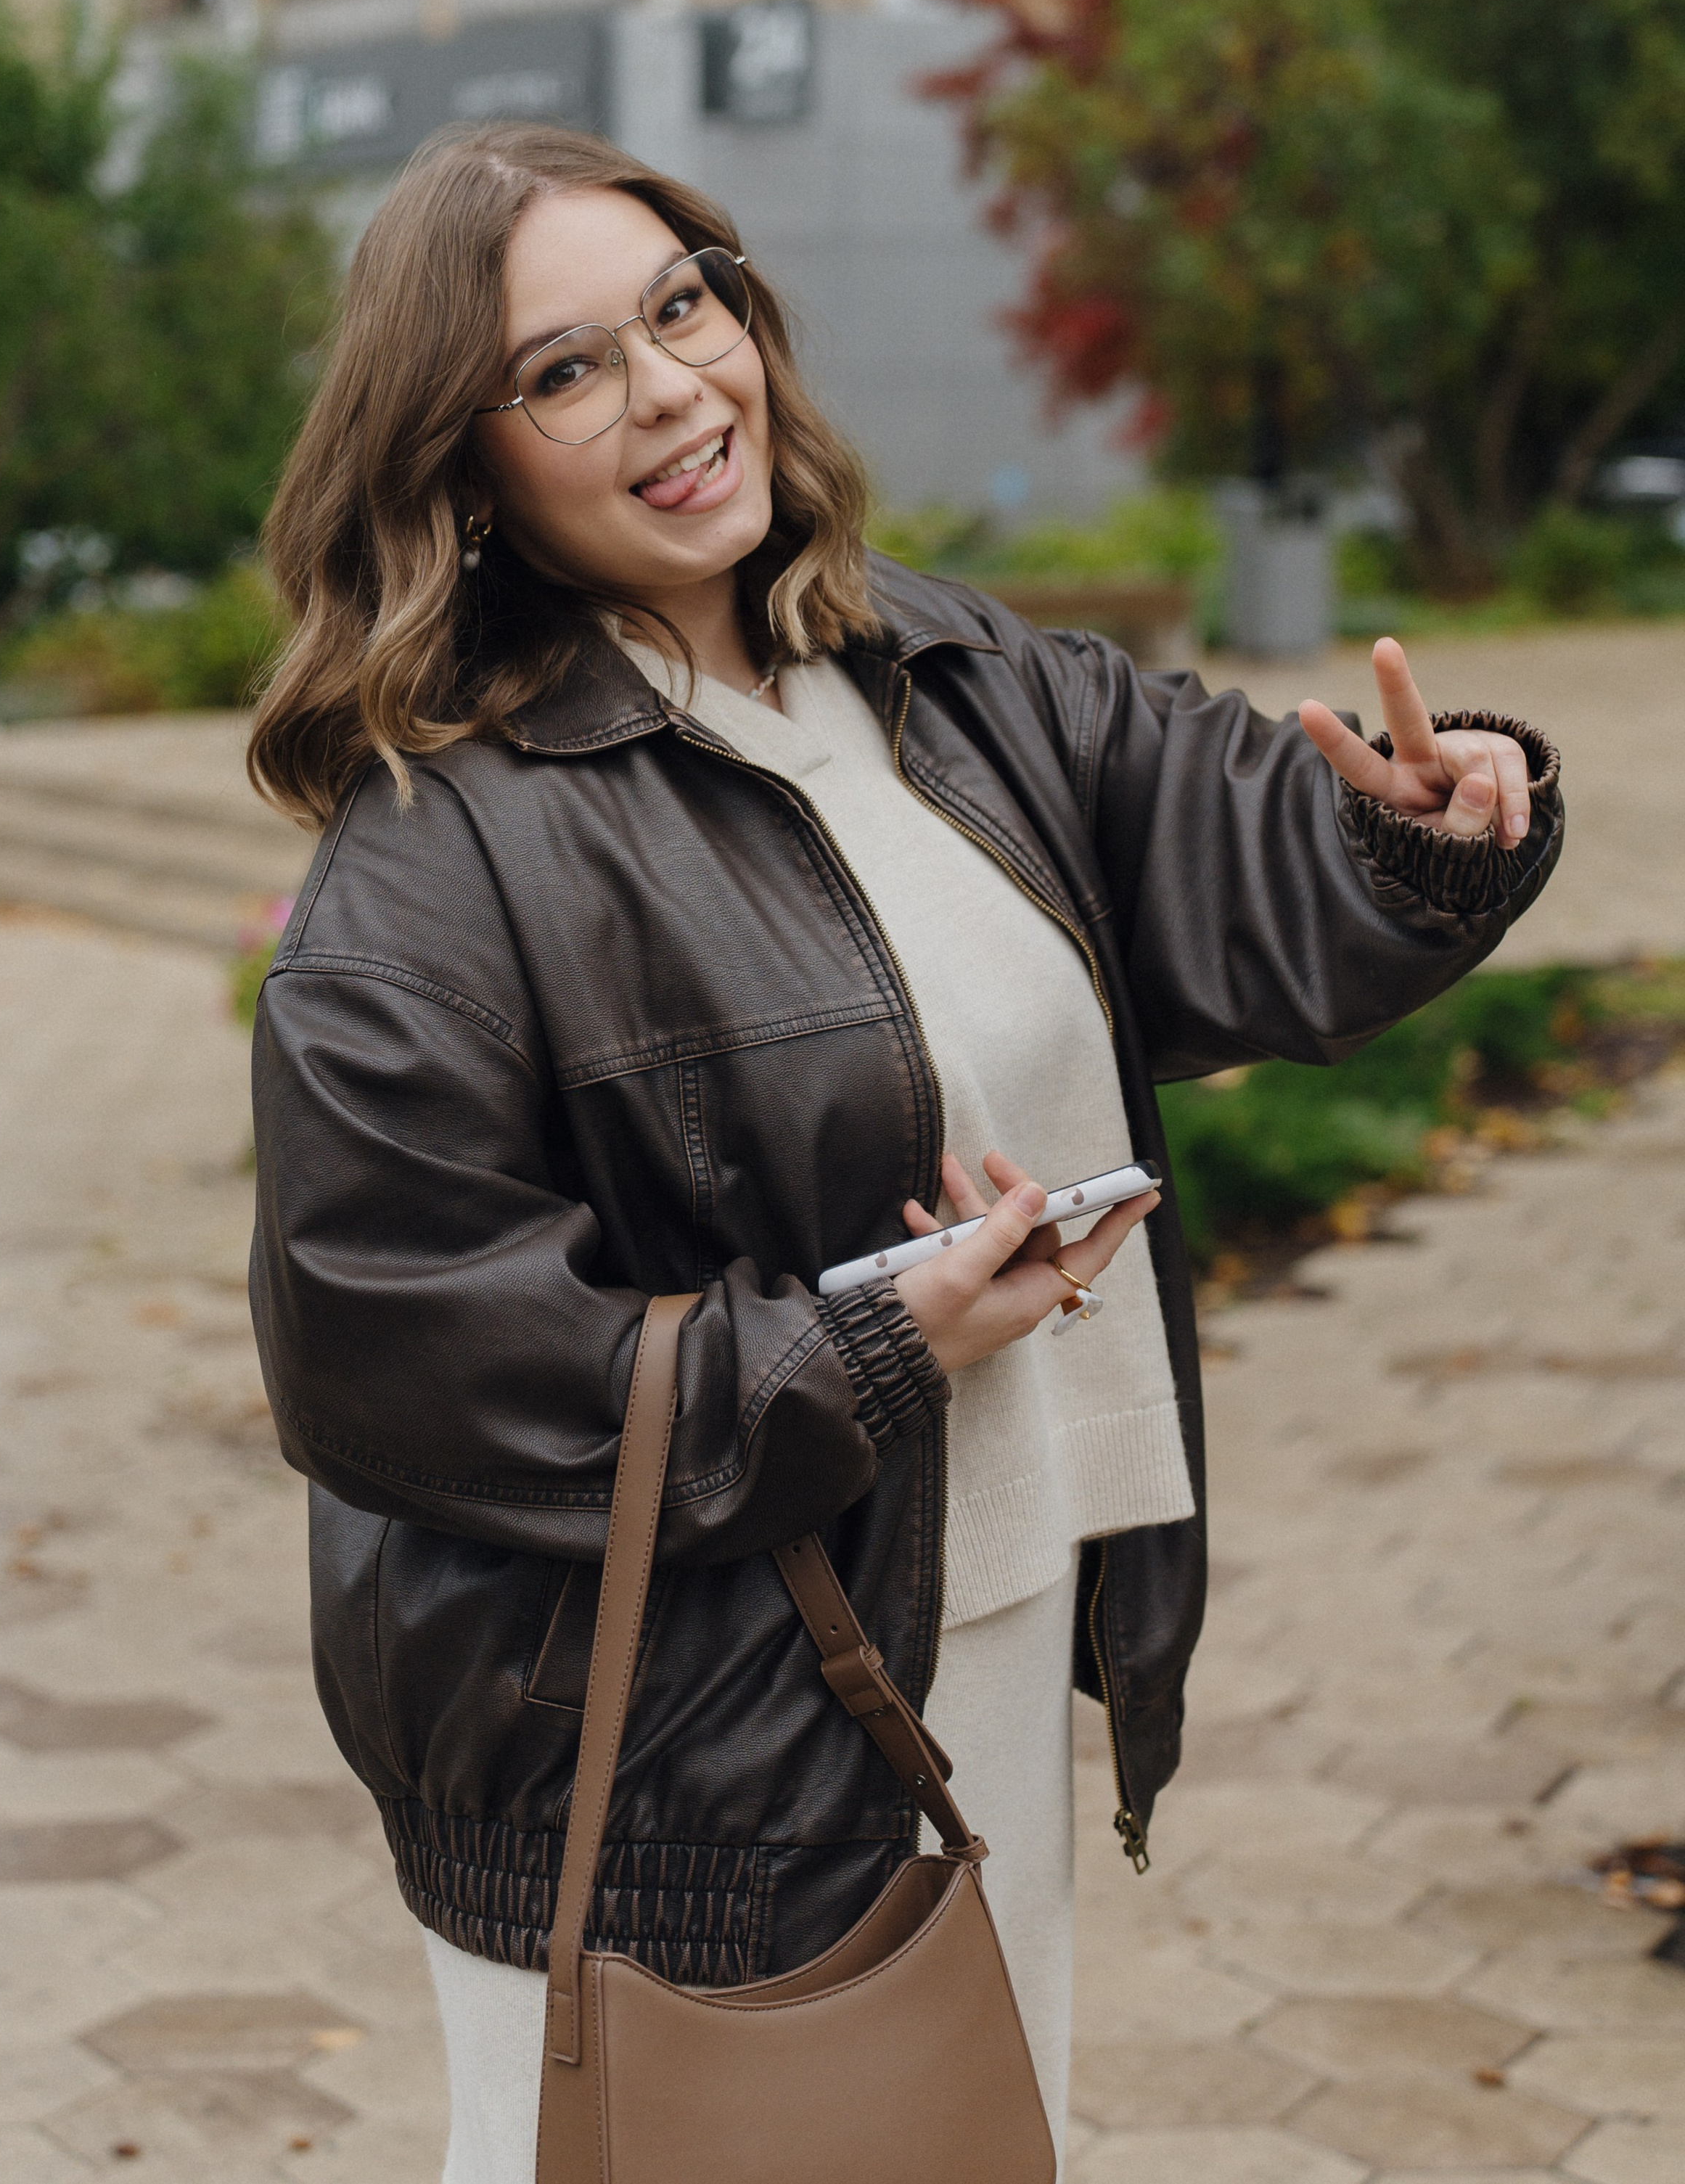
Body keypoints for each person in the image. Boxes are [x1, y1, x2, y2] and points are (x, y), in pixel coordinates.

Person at [246, 123, 1562, 2181]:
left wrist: (1422, 825)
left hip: (984, 1596)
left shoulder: (938, 674)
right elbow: (382, 1339)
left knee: (953, 2128)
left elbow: (1223, 844)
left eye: (684, 306)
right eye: (569, 368)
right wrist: (859, 1345)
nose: (675, 388)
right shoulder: (445, 845)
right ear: (461, 460)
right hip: (671, 1738)